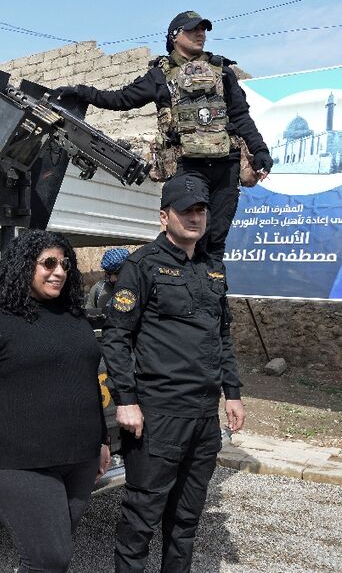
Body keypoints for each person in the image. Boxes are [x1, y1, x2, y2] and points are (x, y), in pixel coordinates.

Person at [102, 173, 246, 572]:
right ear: (165, 217)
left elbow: (223, 335)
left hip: (203, 417)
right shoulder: (141, 266)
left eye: (200, 210)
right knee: (141, 519)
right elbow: (116, 337)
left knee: (185, 521)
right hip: (158, 414)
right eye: (186, 211)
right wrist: (126, 400)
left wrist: (232, 392)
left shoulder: (213, 269)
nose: (195, 217)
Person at [59, 10, 272, 261]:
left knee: (215, 242)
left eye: (203, 29)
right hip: (188, 167)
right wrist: (82, 92)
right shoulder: (159, 75)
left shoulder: (223, 71)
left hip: (226, 167)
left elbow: (241, 116)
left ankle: (212, 297)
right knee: (187, 238)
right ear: (174, 36)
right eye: (192, 29)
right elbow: (121, 99)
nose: (200, 34)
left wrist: (260, 150)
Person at [0, 230, 111, 573]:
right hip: (23, 462)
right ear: (25, 266)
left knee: (45, 557)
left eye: (65, 264)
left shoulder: (73, 316)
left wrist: (102, 439)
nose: (59, 271)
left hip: (81, 458)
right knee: (50, 557)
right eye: (49, 263)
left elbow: (87, 381)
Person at [86, 247, 130, 312]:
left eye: (117, 273)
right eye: (109, 273)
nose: (112, 279)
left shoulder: (141, 288)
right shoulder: (98, 290)